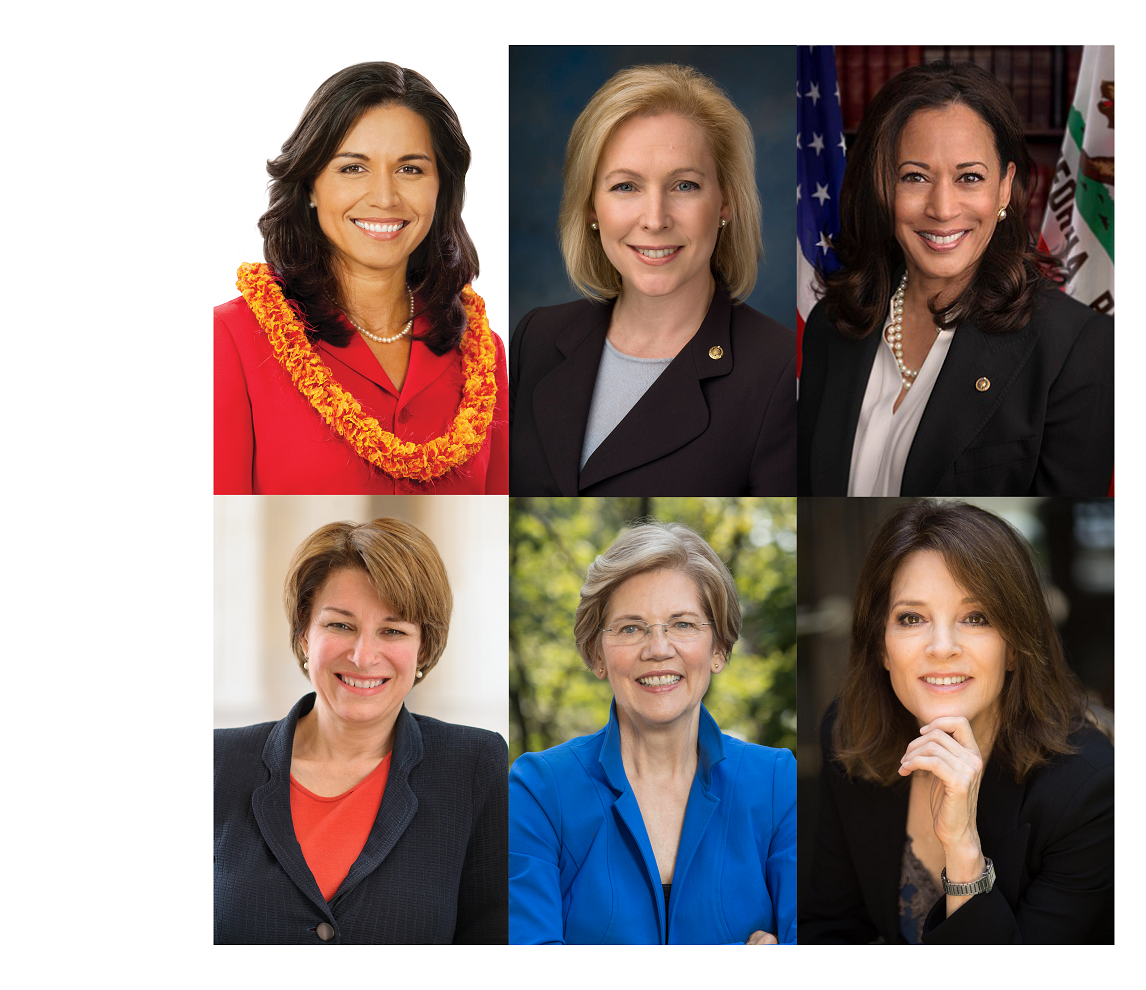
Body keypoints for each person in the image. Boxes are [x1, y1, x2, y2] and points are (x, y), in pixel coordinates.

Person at [801, 500, 1112, 943]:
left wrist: (963, 848)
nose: (941, 646)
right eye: (912, 618)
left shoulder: (1089, 789)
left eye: (975, 617)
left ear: (1015, 647)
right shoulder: (850, 733)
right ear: (882, 648)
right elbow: (833, 927)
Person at [800, 62, 1112, 496]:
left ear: (1004, 187)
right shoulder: (829, 326)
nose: (943, 208)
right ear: (881, 185)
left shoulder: (1078, 348)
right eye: (915, 177)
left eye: (969, 177)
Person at [216, 62, 507, 495]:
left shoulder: (484, 355)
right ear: (311, 185)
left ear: (442, 188)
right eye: (353, 168)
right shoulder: (233, 339)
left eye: (411, 169)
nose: (385, 197)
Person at [214, 519, 506, 943]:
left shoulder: (475, 765)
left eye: (392, 631)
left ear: (422, 647)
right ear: (303, 633)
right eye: (340, 625)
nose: (363, 655)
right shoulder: (217, 763)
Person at [510, 64, 795, 496]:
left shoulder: (778, 369)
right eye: (626, 187)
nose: (655, 219)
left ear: (726, 202)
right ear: (590, 206)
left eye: (684, 185)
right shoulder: (537, 337)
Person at [509, 522, 797, 943]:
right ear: (596, 654)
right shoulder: (539, 790)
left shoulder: (777, 783)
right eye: (630, 628)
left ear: (718, 649)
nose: (658, 649)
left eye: (682, 624)